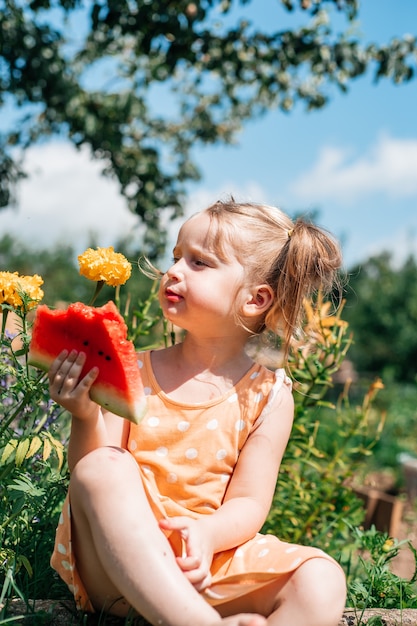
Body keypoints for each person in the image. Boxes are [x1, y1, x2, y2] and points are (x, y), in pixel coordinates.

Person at [48, 200, 347, 626]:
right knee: (105, 467)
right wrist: (84, 415)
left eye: (199, 262)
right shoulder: (133, 369)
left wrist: (207, 535)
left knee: (323, 579)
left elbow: (248, 501)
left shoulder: (270, 395)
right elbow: (89, 474)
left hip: (204, 563)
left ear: (255, 299)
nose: (174, 270)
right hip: (118, 566)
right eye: (176, 256)